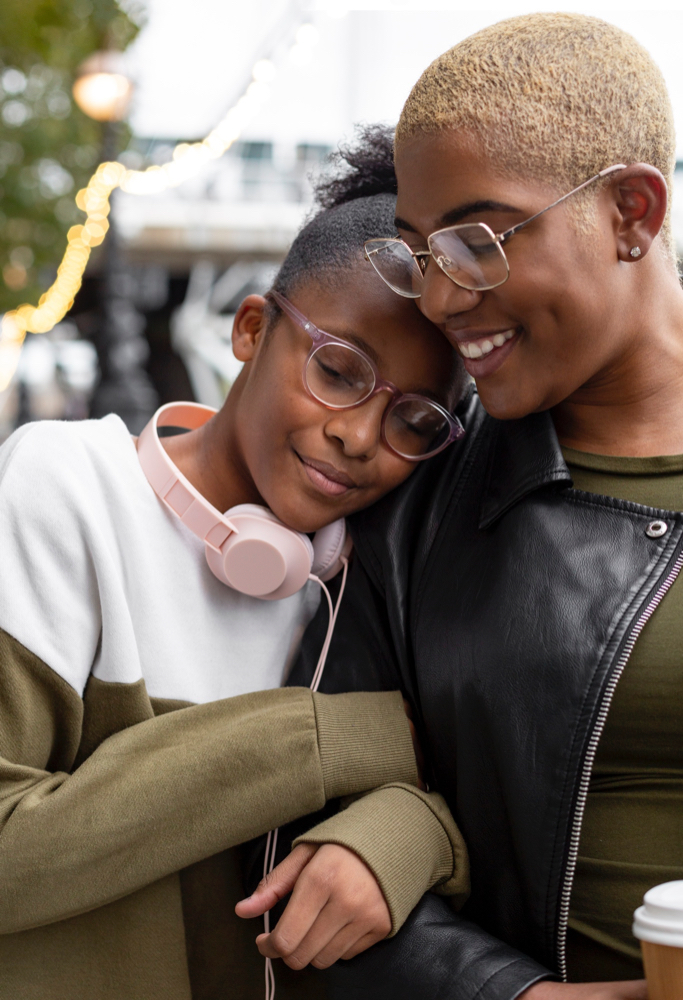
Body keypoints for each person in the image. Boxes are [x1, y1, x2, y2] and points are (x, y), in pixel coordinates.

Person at [259, 13, 682, 1000]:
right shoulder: (409, 516)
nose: (442, 298)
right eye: (417, 251)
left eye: (476, 242)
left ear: (630, 211)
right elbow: (310, 852)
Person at [0, 135, 469, 1000]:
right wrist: (330, 740)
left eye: (413, 421)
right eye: (337, 370)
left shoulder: (366, 574)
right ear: (250, 330)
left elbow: (480, 800)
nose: (359, 436)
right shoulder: (65, 484)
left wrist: (408, 831)